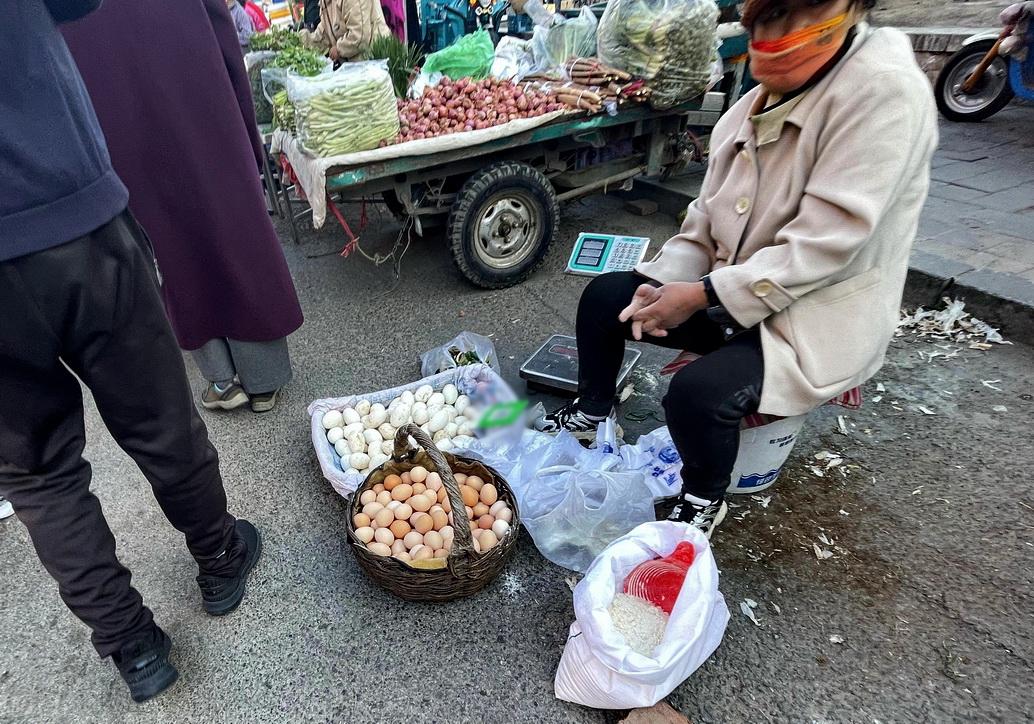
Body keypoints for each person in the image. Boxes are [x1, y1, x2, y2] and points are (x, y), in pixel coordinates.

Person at [535, 0, 938, 539]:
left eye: (789, 21)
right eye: (760, 24)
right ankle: (592, 412)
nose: (770, 41)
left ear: (846, 12)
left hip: (812, 314)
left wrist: (699, 295)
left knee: (699, 395)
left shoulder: (884, 95)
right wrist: (662, 285)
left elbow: (821, 247)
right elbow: (704, 224)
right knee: (608, 300)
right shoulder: (749, 108)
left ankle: (703, 497)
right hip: (731, 290)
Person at [1, 0, 262, 703]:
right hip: (68, 211)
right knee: (160, 423)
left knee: (40, 477)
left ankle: (135, 648)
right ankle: (220, 557)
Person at [63, 0, 305, 414]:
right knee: (236, 227)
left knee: (171, 244)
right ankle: (263, 381)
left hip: (120, 126)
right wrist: (248, 131)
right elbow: (222, 29)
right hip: (203, 104)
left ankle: (222, 381)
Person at [300, 0, 390, 62]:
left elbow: (360, 35)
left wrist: (339, 49)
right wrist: (302, 40)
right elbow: (325, 32)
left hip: (374, 59)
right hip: (357, 64)